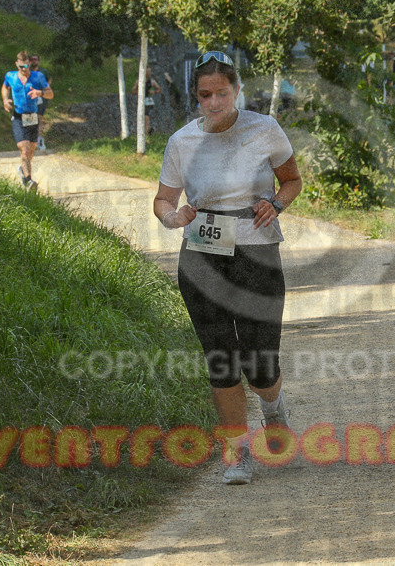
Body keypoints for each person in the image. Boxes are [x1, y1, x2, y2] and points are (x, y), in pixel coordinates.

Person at [153, 51, 302, 485]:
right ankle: (235, 454)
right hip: (202, 252)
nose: (214, 102)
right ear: (196, 97)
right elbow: (163, 199)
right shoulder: (182, 141)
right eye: (205, 95)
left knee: (259, 361)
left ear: (237, 91)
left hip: (256, 251)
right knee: (221, 359)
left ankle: (274, 411)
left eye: (222, 93)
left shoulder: (264, 129)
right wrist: (172, 217)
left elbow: (292, 180)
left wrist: (275, 203)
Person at [2, 51, 53, 191]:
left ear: (29, 64)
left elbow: (50, 94)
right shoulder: (10, 76)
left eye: (26, 66)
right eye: (21, 67)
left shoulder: (38, 77)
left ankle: (23, 169)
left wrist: (40, 93)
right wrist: (5, 100)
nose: (24, 70)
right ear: (16, 64)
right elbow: (4, 87)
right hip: (18, 116)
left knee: (31, 149)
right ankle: (29, 180)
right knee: (24, 148)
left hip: (33, 117)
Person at [30, 54, 52, 150]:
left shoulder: (43, 71)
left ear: (38, 61)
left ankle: (39, 138)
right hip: (31, 95)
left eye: (35, 59)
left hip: (41, 95)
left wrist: (45, 88)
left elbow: (49, 79)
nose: (34, 61)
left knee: (39, 117)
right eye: (32, 59)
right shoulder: (28, 71)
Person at [142, 66, 162, 135]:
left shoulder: (152, 81)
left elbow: (159, 89)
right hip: (141, 101)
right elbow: (133, 91)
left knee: (146, 116)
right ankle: (148, 129)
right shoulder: (139, 81)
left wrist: (154, 92)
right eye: (147, 72)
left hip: (148, 101)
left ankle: (147, 131)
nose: (149, 73)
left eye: (150, 72)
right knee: (144, 117)